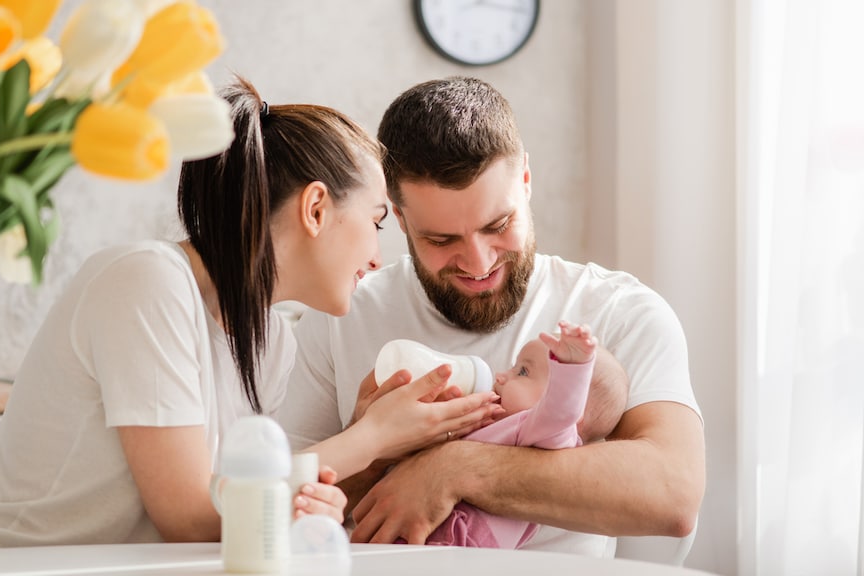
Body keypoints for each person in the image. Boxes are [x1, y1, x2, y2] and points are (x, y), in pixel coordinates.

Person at [0, 76, 501, 547]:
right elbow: (188, 518)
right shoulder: (145, 281)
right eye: (377, 221)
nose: (377, 256)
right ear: (316, 209)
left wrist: (316, 491)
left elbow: (230, 505)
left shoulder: (271, 339)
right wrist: (368, 438)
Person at [277, 76, 705, 557]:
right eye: (441, 241)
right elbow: (272, 511)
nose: (478, 264)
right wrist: (372, 447)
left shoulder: (616, 312)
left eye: (497, 226)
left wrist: (458, 468)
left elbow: (674, 493)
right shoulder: (341, 311)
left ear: (525, 180)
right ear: (398, 218)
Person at [425, 320, 629, 549]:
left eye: (523, 372)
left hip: (463, 541)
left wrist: (572, 368)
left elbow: (560, 411)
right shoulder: (494, 419)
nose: (501, 376)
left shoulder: (544, 431)